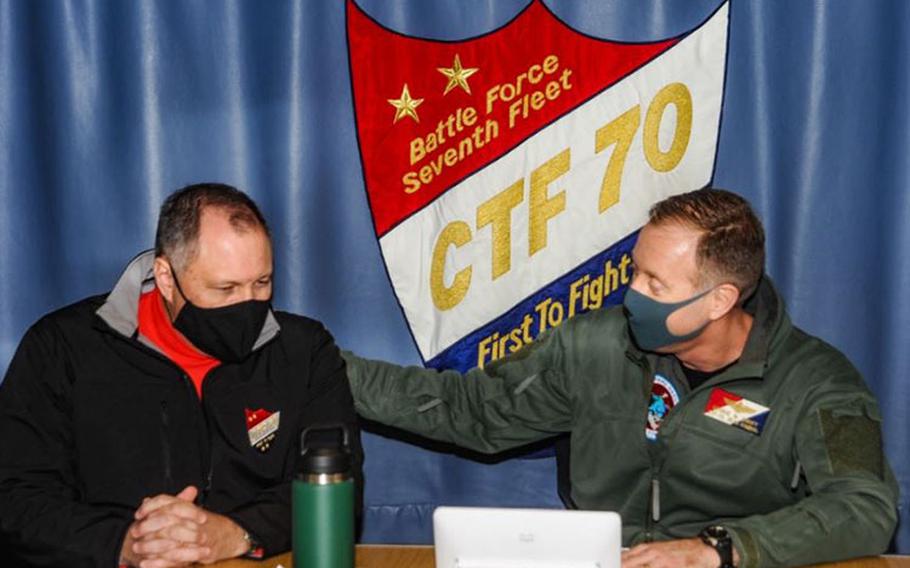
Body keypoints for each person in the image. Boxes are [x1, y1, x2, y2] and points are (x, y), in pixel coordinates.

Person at [344, 188, 898, 568]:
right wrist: (322, 366)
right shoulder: (594, 345)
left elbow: (864, 507)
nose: (633, 293)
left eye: (656, 284)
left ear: (720, 300)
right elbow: (470, 411)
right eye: (636, 270)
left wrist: (722, 549)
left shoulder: (817, 382)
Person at [0, 183, 363, 568]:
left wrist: (234, 532)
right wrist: (125, 542)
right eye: (225, 288)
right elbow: (14, 497)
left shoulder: (303, 351)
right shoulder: (62, 348)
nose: (248, 305)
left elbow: (340, 489)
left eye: (262, 283)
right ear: (166, 277)